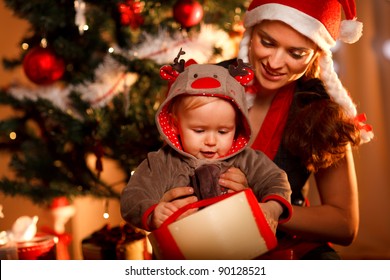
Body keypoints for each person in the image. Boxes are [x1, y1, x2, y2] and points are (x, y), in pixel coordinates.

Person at [162, 0, 374, 260]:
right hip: (208, 243)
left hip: (288, 247)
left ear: (316, 53)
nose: (275, 62)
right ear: (252, 31)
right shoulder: (205, 83)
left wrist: (264, 209)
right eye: (268, 42)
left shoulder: (322, 111)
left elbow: (344, 224)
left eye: (296, 54)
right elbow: (166, 170)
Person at [120, 57, 292, 236]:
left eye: (223, 131)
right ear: (174, 124)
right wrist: (153, 214)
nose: (211, 141)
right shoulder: (161, 163)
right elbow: (133, 196)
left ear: (238, 126)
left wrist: (273, 208)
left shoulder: (246, 159)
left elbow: (275, 180)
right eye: (199, 130)